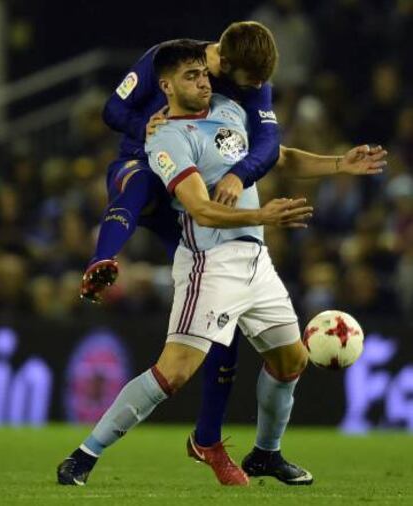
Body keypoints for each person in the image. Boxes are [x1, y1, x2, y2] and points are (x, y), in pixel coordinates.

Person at [79, 24, 387, 486]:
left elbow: (276, 154)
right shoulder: (166, 134)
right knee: (174, 371)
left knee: (291, 361)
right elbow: (201, 209)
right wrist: (264, 213)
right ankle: (84, 455)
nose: (205, 83)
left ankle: (263, 453)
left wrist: (340, 162)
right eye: (193, 77)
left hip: (254, 260)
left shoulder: (229, 106)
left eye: (204, 77)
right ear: (170, 84)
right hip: (206, 252)